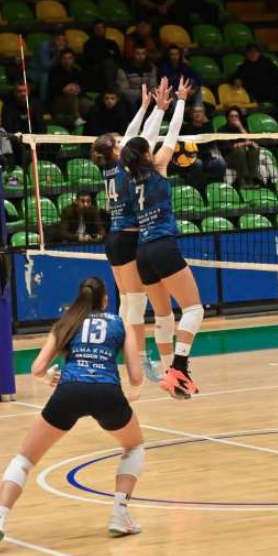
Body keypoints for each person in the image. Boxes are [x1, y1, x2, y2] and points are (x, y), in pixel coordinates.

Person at [0, 276, 145, 552]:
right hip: (107, 392)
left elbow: (36, 368)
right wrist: (134, 392)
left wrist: (50, 376)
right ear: (105, 301)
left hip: (69, 391)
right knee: (134, 447)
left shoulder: (66, 323)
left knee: (24, 459)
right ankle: (120, 515)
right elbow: (135, 375)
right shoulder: (121, 324)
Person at [122, 76, 205, 398]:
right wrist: (179, 101)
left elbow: (136, 139)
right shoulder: (158, 167)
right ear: (147, 154)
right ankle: (179, 366)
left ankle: (171, 375)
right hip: (163, 246)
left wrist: (155, 108)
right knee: (194, 309)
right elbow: (171, 133)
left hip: (142, 251)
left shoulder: (128, 176)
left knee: (162, 315)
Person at [91, 82, 165, 380]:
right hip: (130, 235)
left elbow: (132, 136)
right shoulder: (124, 166)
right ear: (115, 151)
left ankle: (121, 355)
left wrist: (145, 107)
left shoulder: (108, 166)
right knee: (134, 302)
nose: (123, 142)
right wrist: (159, 110)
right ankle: (140, 359)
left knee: (127, 301)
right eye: (118, 143)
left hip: (115, 238)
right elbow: (143, 138)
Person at [169, 104, 226, 193]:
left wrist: (207, 124)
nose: (197, 114)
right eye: (195, 112)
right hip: (189, 158)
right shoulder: (185, 127)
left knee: (221, 162)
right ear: (191, 114)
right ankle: (197, 189)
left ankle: (216, 187)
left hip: (206, 157)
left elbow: (212, 144)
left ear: (204, 114)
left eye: (200, 111)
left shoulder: (208, 126)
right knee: (198, 163)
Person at [233, 44, 278, 116]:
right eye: (250, 52)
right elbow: (234, 76)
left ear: (259, 53)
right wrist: (236, 79)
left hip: (272, 90)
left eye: (256, 52)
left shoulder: (266, 62)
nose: (253, 54)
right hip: (258, 93)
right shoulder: (243, 66)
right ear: (247, 54)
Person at [0, 81, 46, 168]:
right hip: (16, 141)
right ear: (15, 93)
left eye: (25, 91)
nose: (23, 94)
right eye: (20, 91)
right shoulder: (8, 106)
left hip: (34, 139)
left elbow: (41, 125)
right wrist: (21, 139)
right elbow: (8, 128)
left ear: (29, 92)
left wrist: (39, 138)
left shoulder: (35, 104)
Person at [47, 48, 90, 128]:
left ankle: (90, 124)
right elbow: (51, 90)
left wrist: (78, 89)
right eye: (64, 58)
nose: (67, 61)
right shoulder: (54, 71)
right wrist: (63, 89)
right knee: (71, 95)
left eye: (69, 58)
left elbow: (84, 87)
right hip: (59, 101)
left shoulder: (77, 70)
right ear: (61, 60)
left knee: (88, 103)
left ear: (73, 59)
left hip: (76, 98)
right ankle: (77, 118)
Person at [221, 106, 261, 188]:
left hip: (243, 158)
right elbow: (231, 147)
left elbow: (251, 142)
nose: (234, 118)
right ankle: (242, 181)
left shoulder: (242, 129)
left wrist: (240, 127)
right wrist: (246, 143)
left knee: (254, 150)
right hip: (228, 159)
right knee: (240, 150)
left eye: (236, 116)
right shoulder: (222, 130)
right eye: (232, 116)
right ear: (227, 118)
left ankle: (253, 178)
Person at [82, 20, 123, 93]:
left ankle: (111, 91)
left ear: (105, 29)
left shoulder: (112, 43)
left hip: (111, 68)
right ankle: (110, 92)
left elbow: (118, 58)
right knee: (108, 64)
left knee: (110, 64)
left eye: (101, 28)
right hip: (96, 68)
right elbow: (88, 60)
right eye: (97, 28)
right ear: (93, 30)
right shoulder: (88, 44)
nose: (99, 30)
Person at [117, 45, 159, 110]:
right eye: (137, 53)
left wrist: (150, 96)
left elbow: (153, 86)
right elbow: (123, 90)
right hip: (131, 98)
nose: (140, 56)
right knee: (132, 101)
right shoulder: (124, 68)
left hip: (147, 96)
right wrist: (141, 94)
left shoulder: (151, 68)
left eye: (143, 53)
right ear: (133, 53)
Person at [32, 28, 67, 101]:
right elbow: (46, 67)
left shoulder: (64, 47)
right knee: (45, 76)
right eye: (58, 39)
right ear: (52, 39)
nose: (61, 42)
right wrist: (58, 54)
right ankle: (43, 102)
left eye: (63, 40)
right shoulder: (43, 47)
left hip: (51, 70)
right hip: (35, 71)